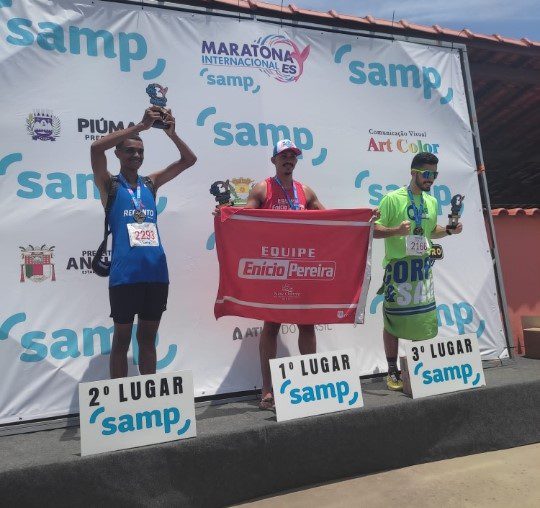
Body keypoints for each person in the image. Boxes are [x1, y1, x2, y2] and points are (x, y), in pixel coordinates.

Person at [91, 106, 197, 378]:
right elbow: (96, 148)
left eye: (140, 152)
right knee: (121, 341)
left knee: (148, 341)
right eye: (130, 151)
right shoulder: (109, 185)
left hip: (156, 274)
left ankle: (151, 398)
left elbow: (189, 160)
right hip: (125, 277)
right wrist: (140, 126)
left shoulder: (150, 183)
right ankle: (120, 398)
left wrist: (172, 134)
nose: (136, 156)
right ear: (118, 153)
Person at [237, 139, 325, 409]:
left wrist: (362, 218)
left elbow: (331, 219)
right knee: (272, 325)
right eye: (283, 156)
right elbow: (245, 220)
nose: (288, 160)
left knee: (307, 324)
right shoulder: (262, 188)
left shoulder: (305, 191)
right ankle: (267, 389)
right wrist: (226, 213)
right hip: (274, 269)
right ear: (273, 160)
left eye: (292, 156)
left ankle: (311, 382)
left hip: (300, 268)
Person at [373, 152, 463, 390]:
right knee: (393, 321)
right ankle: (392, 370)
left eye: (434, 174)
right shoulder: (392, 199)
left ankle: (418, 368)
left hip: (422, 271)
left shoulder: (431, 201)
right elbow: (372, 229)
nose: (430, 178)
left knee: (421, 320)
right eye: (426, 173)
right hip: (398, 271)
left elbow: (431, 231)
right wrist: (395, 231)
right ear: (413, 173)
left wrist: (449, 230)